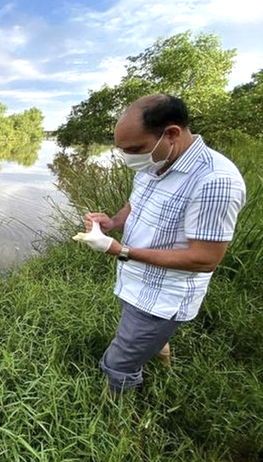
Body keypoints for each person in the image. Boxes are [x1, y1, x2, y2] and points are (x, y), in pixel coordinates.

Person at [76, 94, 246, 394]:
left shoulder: (215, 181)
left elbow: (204, 259)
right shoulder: (156, 161)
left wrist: (119, 250)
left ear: (171, 134)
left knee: (118, 363)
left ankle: (121, 421)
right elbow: (137, 201)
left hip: (161, 298)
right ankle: (160, 353)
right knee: (144, 337)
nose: (129, 158)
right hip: (135, 282)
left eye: (135, 149)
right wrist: (113, 222)